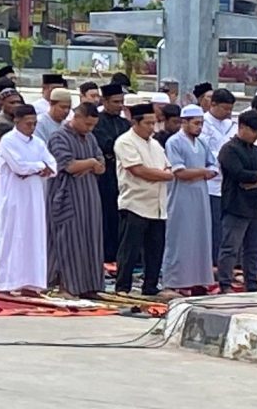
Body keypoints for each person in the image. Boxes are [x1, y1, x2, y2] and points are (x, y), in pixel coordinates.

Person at [44, 97, 106, 298]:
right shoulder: (59, 137)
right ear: (76, 117)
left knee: (91, 240)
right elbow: (68, 166)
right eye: (87, 124)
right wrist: (89, 163)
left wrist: (88, 165)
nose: (89, 129)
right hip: (67, 197)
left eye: (93, 125)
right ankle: (66, 286)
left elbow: (101, 165)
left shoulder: (91, 138)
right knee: (68, 241)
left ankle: (88, 286)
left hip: (89, 196)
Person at [110, 100, 173, 298]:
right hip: (135, 202)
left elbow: (168, 167)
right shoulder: (125, 141)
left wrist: (163, 174)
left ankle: (151, 286)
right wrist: (162, 175)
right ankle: (123, 287)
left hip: (158, 204)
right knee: (130, 248)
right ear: (135, 123)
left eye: (154, 123)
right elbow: (138, 170)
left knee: (155, 249)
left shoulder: (155, 144)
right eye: (147, 123)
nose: (152, 128)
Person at [0, 102, 55, 294]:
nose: (32, 127)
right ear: (17, 121)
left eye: (35, 123)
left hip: (35, 196)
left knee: (34, 237)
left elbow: (53, 165)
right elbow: (19, 167)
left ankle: (31, 283)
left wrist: (35, 168)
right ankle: (7, 282)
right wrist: (38, 166)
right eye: (28, 123)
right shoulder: (8, 141)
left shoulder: (38, 142)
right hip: (14, 197)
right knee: (12, 236)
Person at [161, 104, 218, 293]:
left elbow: (213, 165)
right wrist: (203, 172)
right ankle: (176, 281)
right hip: (181, 197)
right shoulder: (174, 142)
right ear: (184, 122)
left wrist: (206, 172)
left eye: (201, 123)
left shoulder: (201, 143)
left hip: (200, 196)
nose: (199, 127)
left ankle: (197, 281)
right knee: (180, 238)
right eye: (196, 123)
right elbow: (180, 172)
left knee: (200, 237)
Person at [214, 111, 257, 293]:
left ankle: (252, 283)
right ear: (242, 127)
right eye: (252, 130)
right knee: (230, 247)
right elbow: (237, 173)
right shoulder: (229, 149)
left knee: (253, 249)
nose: (255, 135)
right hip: (236, 206)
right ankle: (224, 283)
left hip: (256, 206)